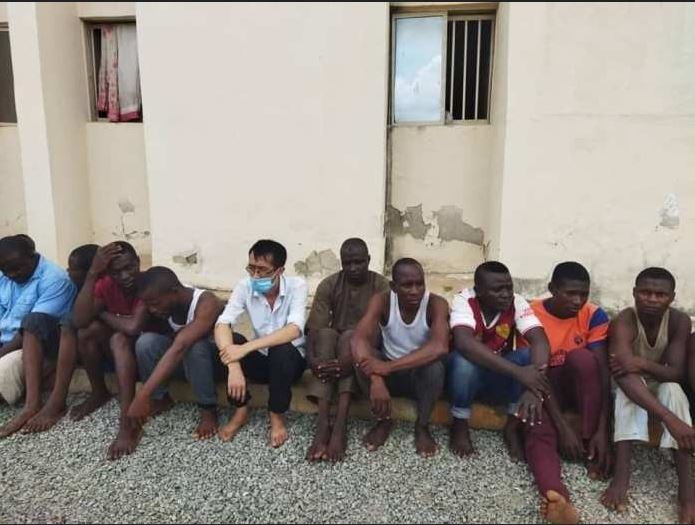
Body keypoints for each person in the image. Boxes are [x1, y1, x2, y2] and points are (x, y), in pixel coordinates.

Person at [447, 261, 578, 524]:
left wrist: (534, 384)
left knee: (530, 356)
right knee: (463, 361)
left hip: (499, 375)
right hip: (468, 378)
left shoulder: (516, 302)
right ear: (479, 290)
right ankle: (459, 423)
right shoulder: (464, 300)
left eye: (508, 287)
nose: (506, 294)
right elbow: (464, 342)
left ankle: (512, 426)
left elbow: (540, 340)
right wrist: (521, 375)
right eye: (497, 290)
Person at [601, 267, 695, 523]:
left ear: (672, 297)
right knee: (629, 390)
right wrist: (669, 419)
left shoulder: (679, 321)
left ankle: (687, 494)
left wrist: (641, 362)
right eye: (645, 292)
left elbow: (676, 373)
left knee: (673, 390)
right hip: (631, 385)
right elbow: (622, 373)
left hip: (661, 382)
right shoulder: (624, 321)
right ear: (634, 293)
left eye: (660, 294)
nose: (652, 299)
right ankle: (622, 477)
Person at [71, 241, 163, 460]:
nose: (125, 276)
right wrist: (92, 274)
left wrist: (101, 312)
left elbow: (133, 327)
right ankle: (99, 392)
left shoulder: (147, 283)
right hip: (122, 358)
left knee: (119, 338)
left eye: (129, 267)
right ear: (107, 273)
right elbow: (79, 320)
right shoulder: (105, 284)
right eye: (116, 272)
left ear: (138, 262)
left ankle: (127, 422)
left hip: (150, 358)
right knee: (87, 332)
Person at [350, 257, 449, 457]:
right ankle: (384, 421)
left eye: (419, 284)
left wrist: (388, 367)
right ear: (393, 287)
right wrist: (376, 378)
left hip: (418, 375)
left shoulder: (436, 303)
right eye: (407, 285)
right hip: (389, 375)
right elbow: (358, 339)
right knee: (363, 359)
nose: (415, 291)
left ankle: (422, 425)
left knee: (435, 367)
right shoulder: (382, 300)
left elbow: (439, 347)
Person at [215, 239, 308, 448]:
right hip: (262, 359)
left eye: (263, 270)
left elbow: (294, 330)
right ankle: (240, 410)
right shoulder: (245, 286)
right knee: (230, 341)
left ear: (280, 270)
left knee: (280, 348)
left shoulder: (297, 286)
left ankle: (276, 416)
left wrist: (245, 349)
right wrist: (233, 366)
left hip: (290, 362)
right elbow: (222, 324)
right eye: (252, 268)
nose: (255, 276)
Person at [305, 238, 389, 462]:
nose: (353, 268)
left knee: (351, 337)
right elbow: (314, 328)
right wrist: (312, 360)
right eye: (348, 263)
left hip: (369, 347)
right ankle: (323, 423)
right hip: (335, 347)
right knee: (326, 335)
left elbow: (382, 330)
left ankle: (340, 423)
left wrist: (350, 359)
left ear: (368, 260)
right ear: (341, 263)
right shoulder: (329, 284)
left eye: (359, 262)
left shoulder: (381, 286)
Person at [529, 262, 611, 479]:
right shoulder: (531, 314)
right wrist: (563, 427)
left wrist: (601, 431)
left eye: (583, 294)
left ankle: (590, 442)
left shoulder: (593, 315)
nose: (577, 301)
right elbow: (536, 374)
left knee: (582, 358)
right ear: (552, 289)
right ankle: (552, 489)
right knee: (538, 430)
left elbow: (602, 373)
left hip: (579, 391)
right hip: (545, 388)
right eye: (571, 293)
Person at [126, 266, 225, 440]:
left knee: (194, 345)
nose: (152, 309)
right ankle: (161, 398)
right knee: (146, 342)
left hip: (215, 365)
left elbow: (181, 345)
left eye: (155, 304)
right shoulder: (164, 302)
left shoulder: (207, 302)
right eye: (148, 305)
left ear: (174, 292)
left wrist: (142, 395)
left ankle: (208, 409)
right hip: (184, 363)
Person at [0, 235, 76, 436]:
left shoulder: (54, 279)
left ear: (33, 255)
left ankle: (32, 404)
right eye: (6, 270)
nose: (12, 274)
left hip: (35, 344)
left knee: (32, 321)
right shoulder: (4, 276)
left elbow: (32, 328)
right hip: (6, 342)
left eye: (17, 268)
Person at [21, 244, 100, 434]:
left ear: (90, 271)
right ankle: (32, 403)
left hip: (93, 349)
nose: (67, 272)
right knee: (32, 320)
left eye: (73, 269)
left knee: (69, 321)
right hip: (66, 343)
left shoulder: (99, 286)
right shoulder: (70, 285)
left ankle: (57, 401)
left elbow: (79, 319)